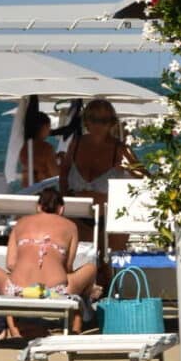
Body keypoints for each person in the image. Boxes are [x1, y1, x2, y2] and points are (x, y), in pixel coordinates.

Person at [0, 188, 99, 336]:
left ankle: (14, 328)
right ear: (61, 209)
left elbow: (10, 264)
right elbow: (68, 266)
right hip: (56, 292)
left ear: (38, 207)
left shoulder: (21, 223)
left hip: (17, 291)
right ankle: (78, 322)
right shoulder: (70, 226)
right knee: (90, 269)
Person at [58, 100, 141, 261]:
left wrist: (128, 167)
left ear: (112, 123)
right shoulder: (76, 144)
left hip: (111, 218)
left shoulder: (121, 149)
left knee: (111, 269)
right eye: (94, 119)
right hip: (77, 217)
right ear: (86, 121)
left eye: (104, 121)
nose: (98, 125)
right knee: (81, 264)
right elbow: (63, 176)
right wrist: (63, 200)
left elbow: (144, 178)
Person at [19, 112, 59, 187]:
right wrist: (64, 162)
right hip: (41, 190)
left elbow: (35, 164)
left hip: (26, 189)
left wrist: (55, 157)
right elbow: (55, 174)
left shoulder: (25, 147)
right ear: (43, 127)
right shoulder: (46, 148)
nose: (49, 131)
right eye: (49, 127)